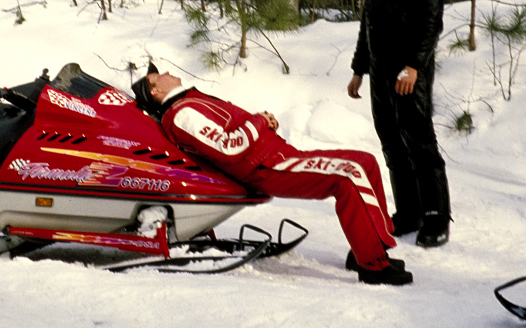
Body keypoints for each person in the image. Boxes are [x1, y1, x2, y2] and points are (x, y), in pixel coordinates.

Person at [132, 65, 413, 286]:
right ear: (155, 89)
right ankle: (373, 268)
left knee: (366, 161)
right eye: (160, 75)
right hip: (267, 167)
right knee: (348, 176)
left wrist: (265, 125)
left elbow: (236, 132)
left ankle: (369, 249)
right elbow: (229, 148)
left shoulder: (188, 100)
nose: (168, 73)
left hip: (277, 155)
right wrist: (259, 121)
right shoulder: (181, 113)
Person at [347, 0, 450, 248]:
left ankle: (436, 216)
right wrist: (359, 69)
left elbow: (430, 24)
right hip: (379, 69)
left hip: (409, 71)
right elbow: (368, 25)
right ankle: (409, 212)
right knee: (390, 140)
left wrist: (414, 65)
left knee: (418, 140)